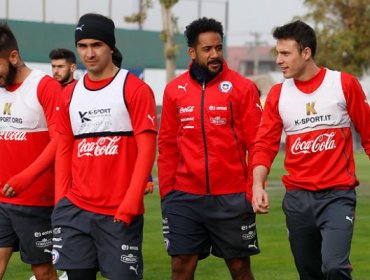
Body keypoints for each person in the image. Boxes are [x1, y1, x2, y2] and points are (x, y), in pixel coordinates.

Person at [252, 20, 370, 280]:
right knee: (310, 274)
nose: (279, 60)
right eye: (277, 53)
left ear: (306, 53)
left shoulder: (343, 84)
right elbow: (265, 145)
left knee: (335, 267)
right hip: (297, 201)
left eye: (285, 53)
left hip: (337, 196)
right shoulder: (277, 95)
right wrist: (257, 184)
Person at [51, 13, 157, 280]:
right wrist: (60, 200)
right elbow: (63, 150)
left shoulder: (135, 89)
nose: (89, 53)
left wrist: (131, 202)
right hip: (75, 210)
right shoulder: (69, 95)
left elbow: (147, 149)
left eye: (96, 45)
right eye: (83, 46)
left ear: (110, 46)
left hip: (119, 213)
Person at [158, 17, 262, 280]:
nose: (215, 54)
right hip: (183, 197)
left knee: (239, 268)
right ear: (192, 52)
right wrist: (167, 194)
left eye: (218, 47)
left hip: (232, 197)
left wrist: (250, 190)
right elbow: (168, 145)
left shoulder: (243, 88)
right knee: (181, 266)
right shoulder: (174, 91)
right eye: (207, 49)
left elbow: (257, 144)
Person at [0, 23, 61, 280]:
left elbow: (61, 141)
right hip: (2, 200)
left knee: (43, 271)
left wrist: (26, 177)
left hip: (37, 202)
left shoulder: (45, 87)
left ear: (13, 57)